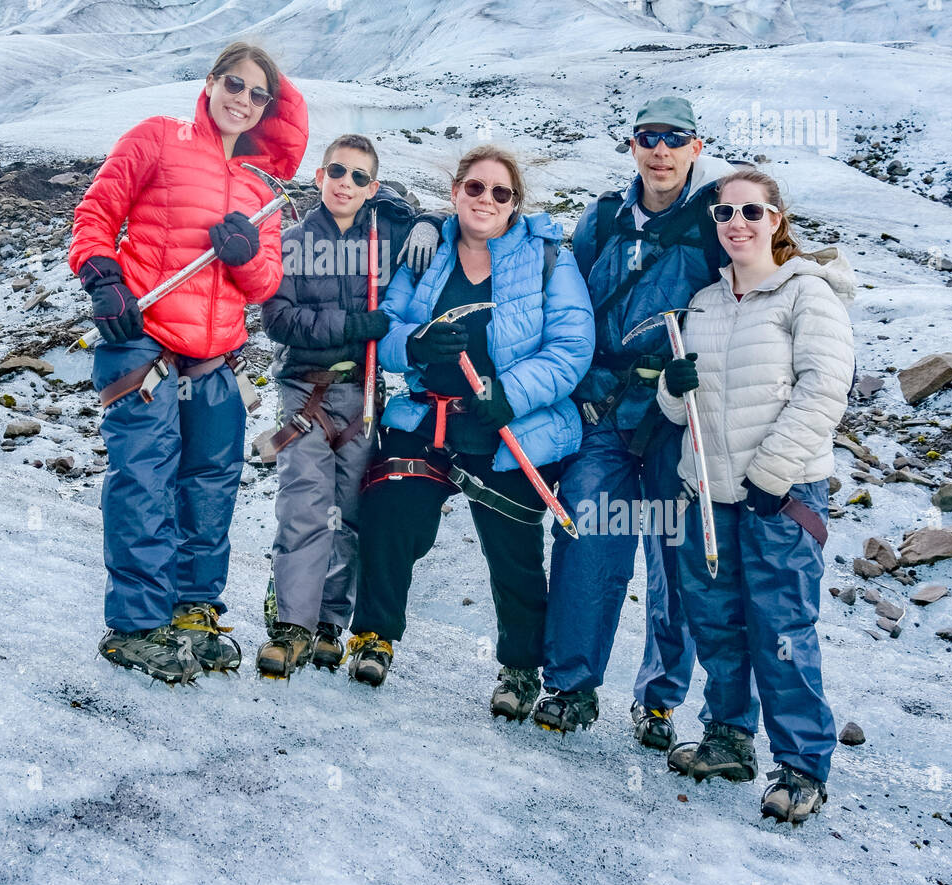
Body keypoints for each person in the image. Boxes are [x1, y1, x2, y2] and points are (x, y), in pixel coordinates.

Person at [68, 41, 307, 684]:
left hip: (213, 356)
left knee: (209, 483)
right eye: (235, 83)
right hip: (141, 339)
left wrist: (243, 254)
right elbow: (95, 213)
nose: (243, 99)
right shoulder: (157, 138)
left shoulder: (262, 193)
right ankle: (138, 628)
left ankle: (192, 613)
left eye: (259, 94)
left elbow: (264, 283)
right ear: (210, 82)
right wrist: (102, 277)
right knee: (145, 479)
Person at [346, 145, 595, 720]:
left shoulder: (548, 259)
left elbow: (572, 346)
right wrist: (413, 344)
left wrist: (513, 392)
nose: (486, 199)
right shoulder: (426, 254)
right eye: (475, 188)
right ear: (455, 193)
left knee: (513, 552)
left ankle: (519, 667)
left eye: (500, 192)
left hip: (511, 426)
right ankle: (374, 635)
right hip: (427, 416)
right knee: (390, 510)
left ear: (515, 204)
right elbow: (387, 328)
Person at [537, 97, 735, 748]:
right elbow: (564, 313)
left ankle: (658, 700)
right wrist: (575, 388)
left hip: (680, 417)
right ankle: (570, 688)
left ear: (695, 148)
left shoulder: (714, 229)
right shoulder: (599, 223)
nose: (661, 150)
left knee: (676, 561)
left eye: (674, 139)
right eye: (649, 137)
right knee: (588, 540)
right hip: (604, 412)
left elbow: (745, 313)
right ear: (632, 146)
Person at [658, 167, 854, 825]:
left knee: (782, 628)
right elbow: (678, 404)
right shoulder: (706, 304)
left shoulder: (807, 294)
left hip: (782, 492)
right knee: (716, 619)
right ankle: (728, 738)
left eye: (750, 210)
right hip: (709, 490)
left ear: (775, 218)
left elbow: (824, 389)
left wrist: (771, 475)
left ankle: (802, 767)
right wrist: (668, 382)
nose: (736, 222)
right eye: (724, 214)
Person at [255, 135, 440, 677]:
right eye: (338, 171)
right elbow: (277, 320)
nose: (347, 183)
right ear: (319, 176)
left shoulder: (386, 237)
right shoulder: (291, 242)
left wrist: (426, 221)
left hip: (364, 394)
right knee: (304, 504)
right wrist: (351, 326)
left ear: (372, 188)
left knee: (351, 512)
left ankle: (331, 623)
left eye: (360, 177)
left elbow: (446, 224)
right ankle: (293, 626)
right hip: (304, 391)